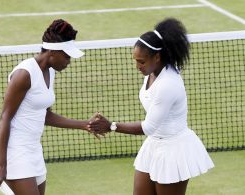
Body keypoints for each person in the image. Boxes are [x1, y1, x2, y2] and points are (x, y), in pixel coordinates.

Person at [89, 18, 214, 195]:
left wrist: (111, 126)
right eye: (136, 61)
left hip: (173, 151)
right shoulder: (152, 71)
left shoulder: (168, 84)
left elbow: (148, 127)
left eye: (141, 61)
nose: (137, 66)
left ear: (157, 57)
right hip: (154, 145)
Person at [0, 19, 99, 195]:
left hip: (33, 149)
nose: (68, 62)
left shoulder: (50, 71)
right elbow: (5, 117)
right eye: (66, 56)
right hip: (15, 150)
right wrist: (1, 164)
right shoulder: (24, 74)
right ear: (52, 52)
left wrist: (83, 124)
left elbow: (44, 115)